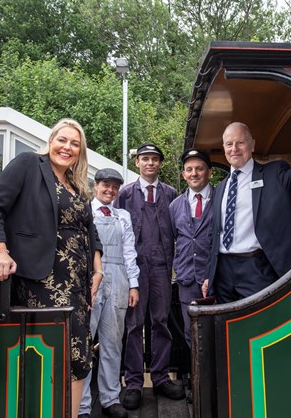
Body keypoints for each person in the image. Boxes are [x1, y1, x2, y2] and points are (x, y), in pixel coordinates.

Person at [0, 118, 103, 417]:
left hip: (77, 286)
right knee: (47, 355)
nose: (67, 147)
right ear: (51, 141)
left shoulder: (76, 184)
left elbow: (89, 231)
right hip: (40, 280)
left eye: (75, 143)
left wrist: (97, 271)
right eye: (63, 139)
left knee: (77, 359)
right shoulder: (28, 165)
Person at [203, 113, 291, 303]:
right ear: (224, 148)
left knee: (260, 325)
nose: (234, 149)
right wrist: (209, 274)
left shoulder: (275, 174)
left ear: (252, 145)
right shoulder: (221, 187)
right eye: (229, 144)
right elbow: (215, 235)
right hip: (223, 272)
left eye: (240, 143)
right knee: (227, 327)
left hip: (257, 268)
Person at [117, 142, 184, 410]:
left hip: (161, 267)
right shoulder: (124, 194)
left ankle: (159, 377)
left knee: (161, 322)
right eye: (145, 159)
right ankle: (133, 382)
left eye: (155, 159)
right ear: (137, 163)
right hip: (134, 268)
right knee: (134, 324)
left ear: (160, 164)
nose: (150, 163)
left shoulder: (171, 194)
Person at [78, 168, 140, 418]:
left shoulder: (123, 216)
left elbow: (129, 251)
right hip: (90, 279)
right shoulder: (85, 212)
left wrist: (133, 284)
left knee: (113, 341)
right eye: (105, 185)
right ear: (96, 186)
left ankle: (110, 398)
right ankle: (81, 405)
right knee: (83, 341)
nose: (110, 191)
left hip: (118, 278)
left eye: (115, 187)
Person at [169, 148, 213, 346]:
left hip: (215, 279)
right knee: (191, 333)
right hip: (187, 281)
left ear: (209, 172)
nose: (194, 173)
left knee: (215, 331)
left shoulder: (221, 199)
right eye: (189, 169)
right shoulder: (175, 206)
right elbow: (171, 240)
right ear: (183, 174)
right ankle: (198, 377)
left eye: (199, 169)